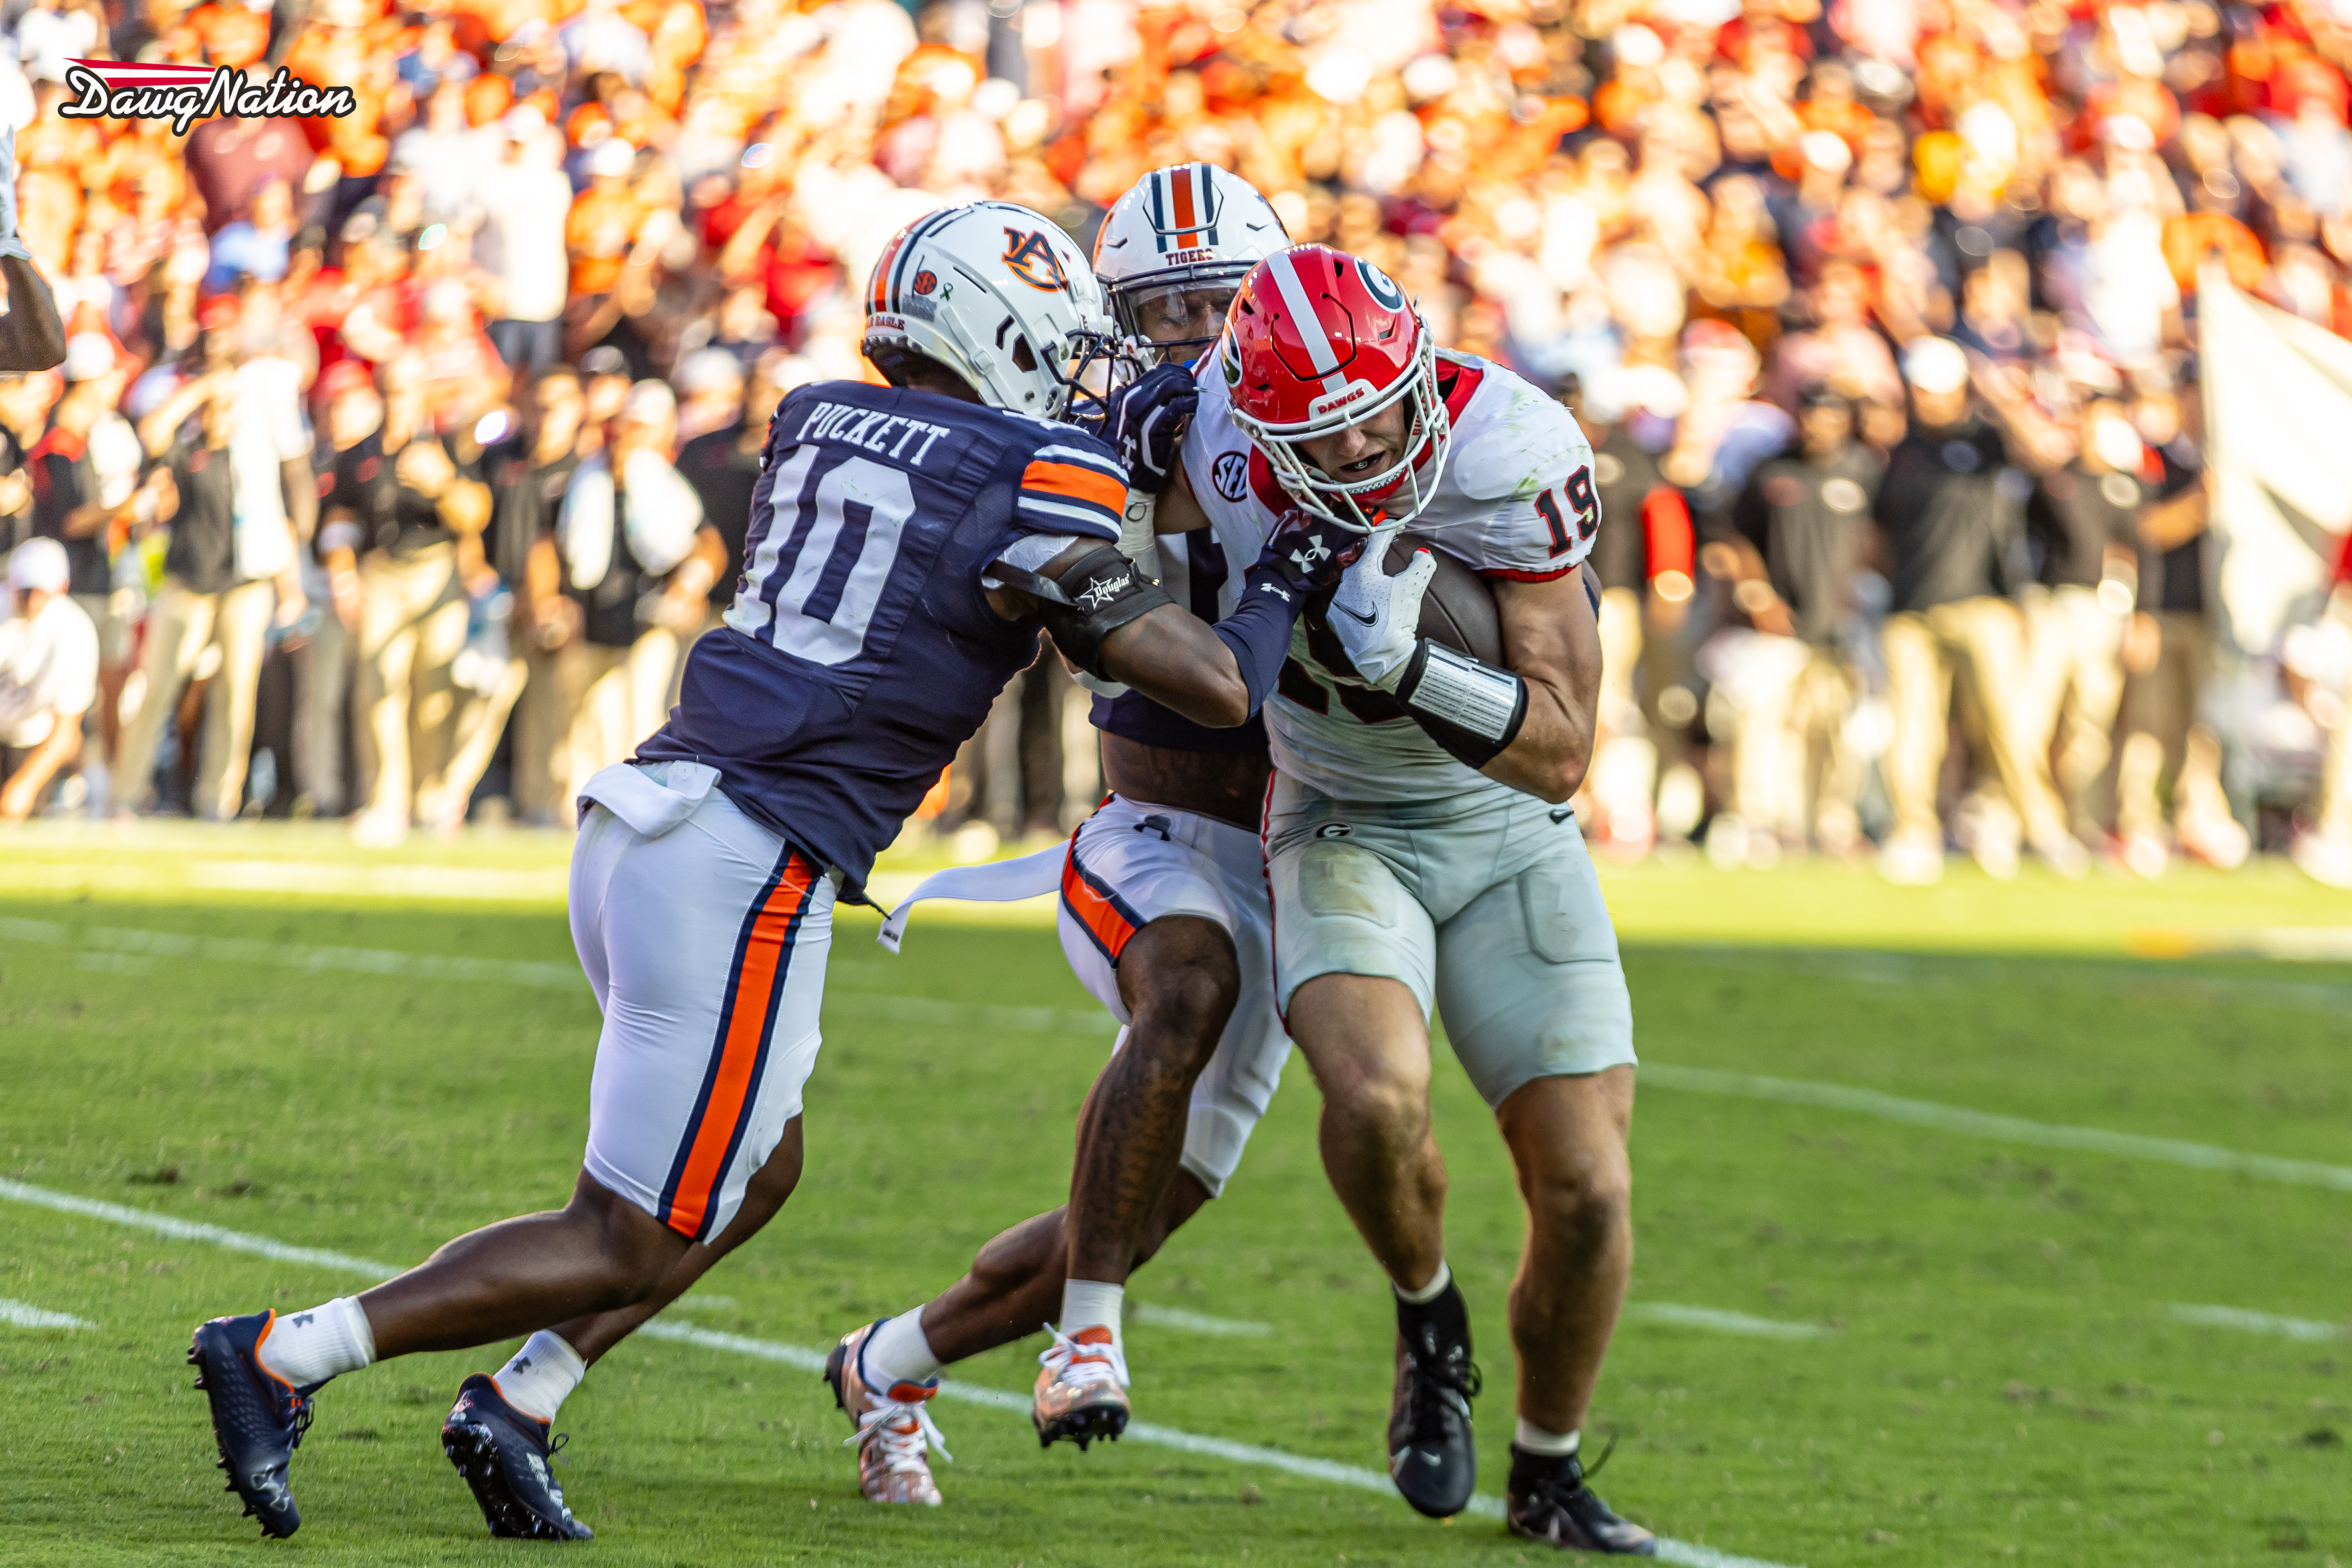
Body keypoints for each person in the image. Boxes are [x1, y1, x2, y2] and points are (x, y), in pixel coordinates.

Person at [185, 200, 1359, 1544]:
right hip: (749, 860)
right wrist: (1286, 578)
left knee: (759, 1167)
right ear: (1002, 331)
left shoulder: (813, 413)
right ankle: (290, 1352)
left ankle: (525, 1395)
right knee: (629, 1227)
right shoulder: (1036, 469)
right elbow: (1210, 686)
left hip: (652, 818)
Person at [822, 163, 1295, 1505]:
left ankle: (889, 1362)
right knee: (1187, 984)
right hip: (1155, 832)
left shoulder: (1341, 429)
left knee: (1146, 1210)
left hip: (1307, 853)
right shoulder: (1090, 452)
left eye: (1221, 307)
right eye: (1162, 315)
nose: (1195, 340)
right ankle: (1085, 1342)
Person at [1193, 246, 1652, 1551]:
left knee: (1588, 1191)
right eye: (1318, 441)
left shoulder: (1509, 443)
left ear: (1418, 374)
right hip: (1340, 815)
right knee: (1379, 1096)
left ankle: (1549, 1468)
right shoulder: (1207, 435)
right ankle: (1427, 1307)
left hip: (1509, 823)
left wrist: (1404, 668)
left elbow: (1565, 748)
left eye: (1378, 418)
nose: (1358, 455)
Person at [1869, 337, 2080, 884]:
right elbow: (1878, 532)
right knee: (1913, 729)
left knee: (2007, 726)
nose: (1926, 402)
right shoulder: (1900, 452)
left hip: (1982, 606)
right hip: (1910, 608)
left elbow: (2047, 453)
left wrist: (2003, 396)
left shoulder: (1986, 443)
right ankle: (1912, 832)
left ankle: (2042, 829)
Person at [113, 369, 307, 819]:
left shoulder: (256, 457)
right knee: (158, 688)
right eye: (215, 408)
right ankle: (126, 793)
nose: (222, 415)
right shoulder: (189, 452)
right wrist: (200, 389)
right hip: (188, 582)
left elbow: (278, 520)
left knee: (236, 694)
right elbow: (153, 432)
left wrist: (289, 584)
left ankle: (219, 799)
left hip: (245, 583)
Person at [325, 354, 495, 845]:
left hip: (436, 570)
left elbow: (474, 516)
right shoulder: (358, 454)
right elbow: (340, 520)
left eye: (405, 391)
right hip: (381, 568)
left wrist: (443, 484)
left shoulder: (447, 447)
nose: (397, 401)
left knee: (434, 690)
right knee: (379, 688)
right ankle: (386, 799)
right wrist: (343, 577)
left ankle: (429, 794)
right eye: (389, 391)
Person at [1717, 384, 1880, 858]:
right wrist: (1757, 595)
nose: (1817, 426)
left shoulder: (1864, 472)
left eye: (1829, 417)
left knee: (1834, 732)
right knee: (1759, 727)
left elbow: (1878, 539)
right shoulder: (1771, 470)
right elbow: (1735, 538)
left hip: (1837, 628)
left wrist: (1862, 595)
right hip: (1776, 624)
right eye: (1810, 415)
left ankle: (1832, 823)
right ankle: (1753, 821)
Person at [539, 379, 716, 811]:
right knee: (584, 717)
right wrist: (550, 600)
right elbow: (551, 546)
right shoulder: (578, 483)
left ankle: (636, 802)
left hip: (645, 615)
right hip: (590, 614)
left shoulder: (664, 484)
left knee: (640, 712)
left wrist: (685, 589)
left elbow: (705, 546)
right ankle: (579, 804)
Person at [2018, 393, 2140, 844]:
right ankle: (2032, 816)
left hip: (2105, 611)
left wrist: (2135, 617)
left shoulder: (2127, 484)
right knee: (2032, 715)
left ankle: (2080, 816)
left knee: (2090, 722)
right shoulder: (2055, 478)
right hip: (2052, 605)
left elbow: (2136, 550)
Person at [28, 332, 147, 786]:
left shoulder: (93, 437)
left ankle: (105, 780)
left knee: (106, 684)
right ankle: (81, 780)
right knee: (77, 689)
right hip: (77, 586)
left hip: (102, 577)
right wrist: (125, 507)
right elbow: (71, 521)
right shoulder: (60, 444)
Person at [0, 536, 95, 820]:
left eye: (40, 591)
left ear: (62, 589)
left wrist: (25, 786)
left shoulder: (76, 632)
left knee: (25, 811)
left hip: (32, 742)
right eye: (26, 590)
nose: (32, 600)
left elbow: (66, 729)